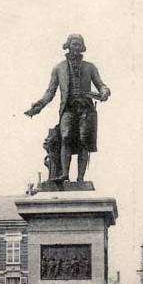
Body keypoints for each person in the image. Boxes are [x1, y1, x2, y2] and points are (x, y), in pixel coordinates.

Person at [25, 33, 110, 182]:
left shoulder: (90, 67)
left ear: (82, 47)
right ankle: (65, 174)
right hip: (68, 109)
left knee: (84, 141)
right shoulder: (59, 68)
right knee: (65, 138)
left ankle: (80, 178)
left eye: (79, 45)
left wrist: (104, 91)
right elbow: (50, 92)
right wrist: (38, 106)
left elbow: (101, 84)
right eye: (73, 44)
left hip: (85, 110)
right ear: (68, 46)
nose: (76, 48)